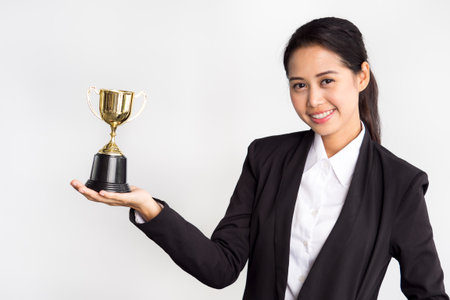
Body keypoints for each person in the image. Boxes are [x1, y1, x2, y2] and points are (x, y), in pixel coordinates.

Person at [71, 17, 448, 300]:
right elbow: (220, 267)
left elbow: (428, 293)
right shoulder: (266, 158)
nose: (313, 100)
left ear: (361, 76)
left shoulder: (400, 184)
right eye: (299, 85)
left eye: (327, 80)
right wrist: (149, 207)